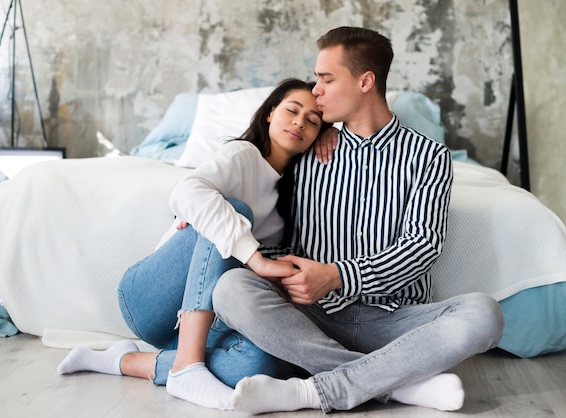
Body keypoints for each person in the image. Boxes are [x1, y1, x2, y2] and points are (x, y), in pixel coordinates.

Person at [211, 26, 505, 414]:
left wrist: (336, 275)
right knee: (232, 287)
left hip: (397, 322)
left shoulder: (429, 156)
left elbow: (423, 246)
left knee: (484, 314)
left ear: (366, 81)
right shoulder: (309, 146)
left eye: (326, 79)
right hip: (314, 318)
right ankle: (397, 386)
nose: (315, 91)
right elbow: (273, 223)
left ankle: (315, 390)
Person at [56, 78, 332, 411]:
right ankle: (186, 365)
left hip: (207, 320)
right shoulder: (242, 154)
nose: (300, 122)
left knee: (259, 365)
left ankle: (128, 361)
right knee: (235, 211)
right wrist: (253, 257)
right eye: (292, 110)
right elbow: (186, 193)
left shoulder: (297, 188)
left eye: (313, 121)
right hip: (149, 299)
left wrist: (336, 134)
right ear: (270, 113)